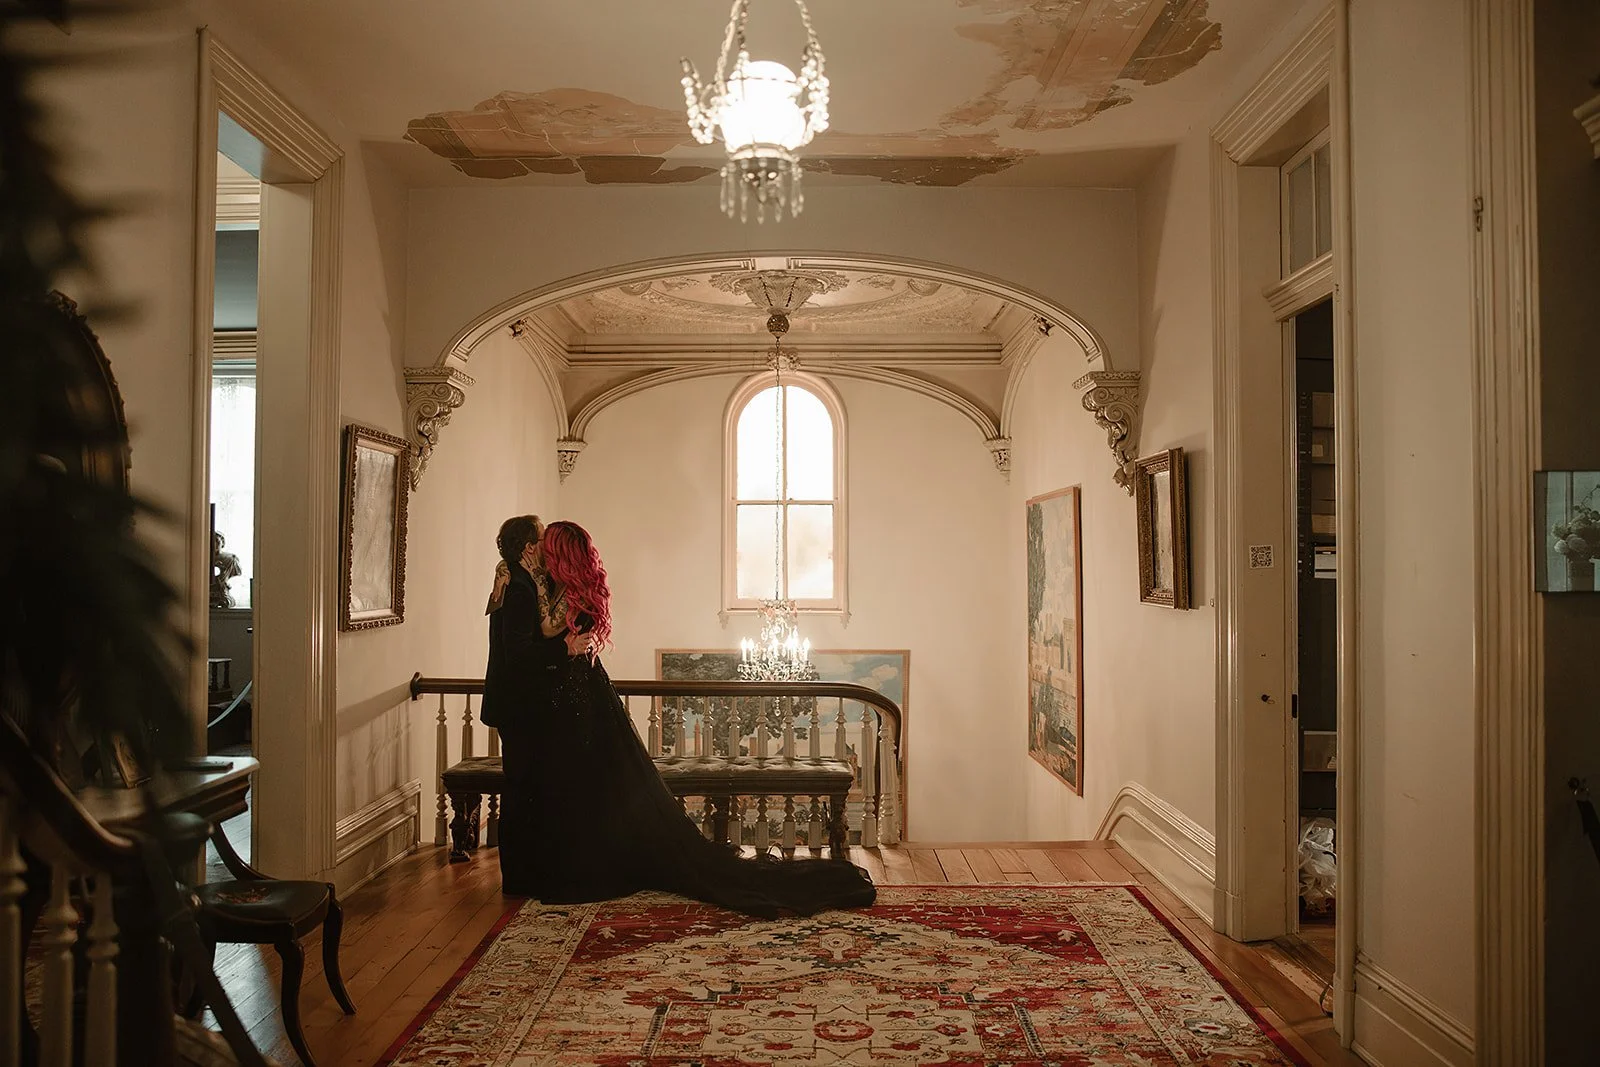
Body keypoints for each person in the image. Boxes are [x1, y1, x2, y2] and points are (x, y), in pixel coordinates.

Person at [486, 517, 876, 918]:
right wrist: (509, 573)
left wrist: (558, 645)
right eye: (539, 547)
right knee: (572, 792)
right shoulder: (539, 587)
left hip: (578, 707)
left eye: (550, 551)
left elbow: (549, 643)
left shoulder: (572, 598)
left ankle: (574, 867)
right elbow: (534, 636)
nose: (543, 557)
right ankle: (556, 867)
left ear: (561, 557)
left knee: (587, 792)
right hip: (564, 707)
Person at [479, 515, 594, 896]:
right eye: (542, 538)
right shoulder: (520, 590)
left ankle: (529, 873)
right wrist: (565, 647)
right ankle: (518, 878)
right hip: (519, 706)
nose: (547, 544)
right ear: (529, 547)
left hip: (522, 705)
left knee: (527, 788)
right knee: (520, 789)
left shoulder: (522, 578)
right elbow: (519, 655)